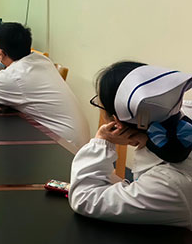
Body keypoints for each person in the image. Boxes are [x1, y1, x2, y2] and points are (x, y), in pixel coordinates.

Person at [69, 62, 192, 229]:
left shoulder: (167, 184)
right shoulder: (180, 113)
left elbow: (85, 198)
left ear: (117, 123)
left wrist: (103, 139)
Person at [0, 22, 89, 148]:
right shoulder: (42, 60)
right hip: (77, 139)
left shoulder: (13, 75)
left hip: (63, 146)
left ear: (0, 53)